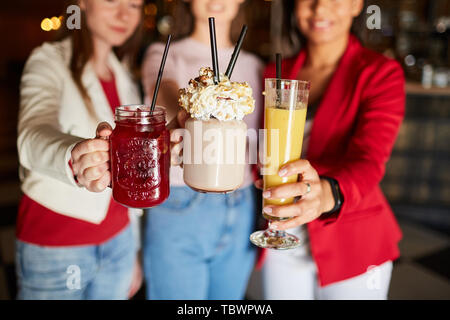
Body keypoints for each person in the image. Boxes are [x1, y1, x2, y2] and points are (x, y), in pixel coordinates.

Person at [256, 0, 405, 299]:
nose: (320, 9)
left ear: (356, 5)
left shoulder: (380, 73)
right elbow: (258, 149)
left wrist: (327, 194)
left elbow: (369, 160)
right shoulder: (275, 72)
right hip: (283, 234)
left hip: (354, 239)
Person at [16, 0, 145, 299]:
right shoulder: (50, 59)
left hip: (119, 241)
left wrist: (133, 249)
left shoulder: (123, 72)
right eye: (113, 1)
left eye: (135, 5)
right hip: (56, 245)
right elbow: (32, 134)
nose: (124, 14)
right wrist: (72, 156)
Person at [141, 0, 264, 299]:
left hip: (242, 203)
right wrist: (190, 113)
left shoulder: (255, 65)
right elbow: (168, 95)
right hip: (182, 202)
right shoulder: (164, 52)